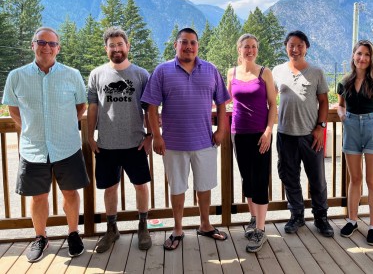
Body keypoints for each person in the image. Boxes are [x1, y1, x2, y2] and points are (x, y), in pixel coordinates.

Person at [2, 27, 89, 262]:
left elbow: (81, 107)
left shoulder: (72, 74)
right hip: (33, 148)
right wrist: (33, 130)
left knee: (71, 192)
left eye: (52, 44)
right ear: (33, 45)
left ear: (58, 48)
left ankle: (73, 233)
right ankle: (40, 237)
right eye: (42, 42)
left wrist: (63, 126)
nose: (47, 47)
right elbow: (13, 110)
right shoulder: (16, 76)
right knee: (38, 197)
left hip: (67, 146)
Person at [141, 27, 230, 251]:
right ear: (176, 45)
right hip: (173, 144)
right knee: (177, 187)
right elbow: (151, 108)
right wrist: (157, 137)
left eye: (193, 42)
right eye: (184, 42)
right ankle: (177, 229)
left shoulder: (210, 70)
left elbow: (222, 103)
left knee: (205, 186)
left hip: (205, 141)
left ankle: (205, 225)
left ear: (198, 46)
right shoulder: (162, 71)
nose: (189, 46)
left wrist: (221, 130)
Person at [87, 27, 152, 253]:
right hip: (106, 144)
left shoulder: (142, 75)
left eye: (120, 44)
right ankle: (112, 229)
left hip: (135, 143)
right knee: (109, 189)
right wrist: (89, 136)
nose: (116, 49)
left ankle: (143, 226)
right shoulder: (96, 74)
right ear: (106, 49)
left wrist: (150, 136)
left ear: (128, 46)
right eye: (112, 45)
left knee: (141, 186)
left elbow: (150, 109)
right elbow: (92, 108)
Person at [272, 30, 334, 237]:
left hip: (311, 134)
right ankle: (296, 215)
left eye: (300, 45)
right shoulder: (277, 71)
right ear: (286, 47)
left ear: (306, 47)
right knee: (290, 176)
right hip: (285, 134)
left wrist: (321, 127)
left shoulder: (316, 72)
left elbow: (324, 101)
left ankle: (321, 217)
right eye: (291, 45)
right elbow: (270, 100)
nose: (295, 49)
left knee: (317, 178)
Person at [337, 40, 373, 245]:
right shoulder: (344, 82)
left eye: (366, 55)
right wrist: (343, 115)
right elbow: (340, 105)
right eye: (359, 54)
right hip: (351, 129)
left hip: (372, 130)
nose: (362, 58)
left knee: (372, 180)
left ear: (372, 59)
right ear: (353, 55)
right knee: (355, 179)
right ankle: (352, 220)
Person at [226, 34, 277, 253]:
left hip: (260, 134)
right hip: (238, 133)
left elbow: (273, 105)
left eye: (254, 46)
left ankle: (261, 229)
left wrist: (268, 131)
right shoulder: (231, 73)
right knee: (247, 177)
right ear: (239, 50)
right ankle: (253, 218)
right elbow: (227, 100)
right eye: (246, 47)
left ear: (257, 49)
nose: (250, 50)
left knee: (260, 178)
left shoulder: (265, 72)